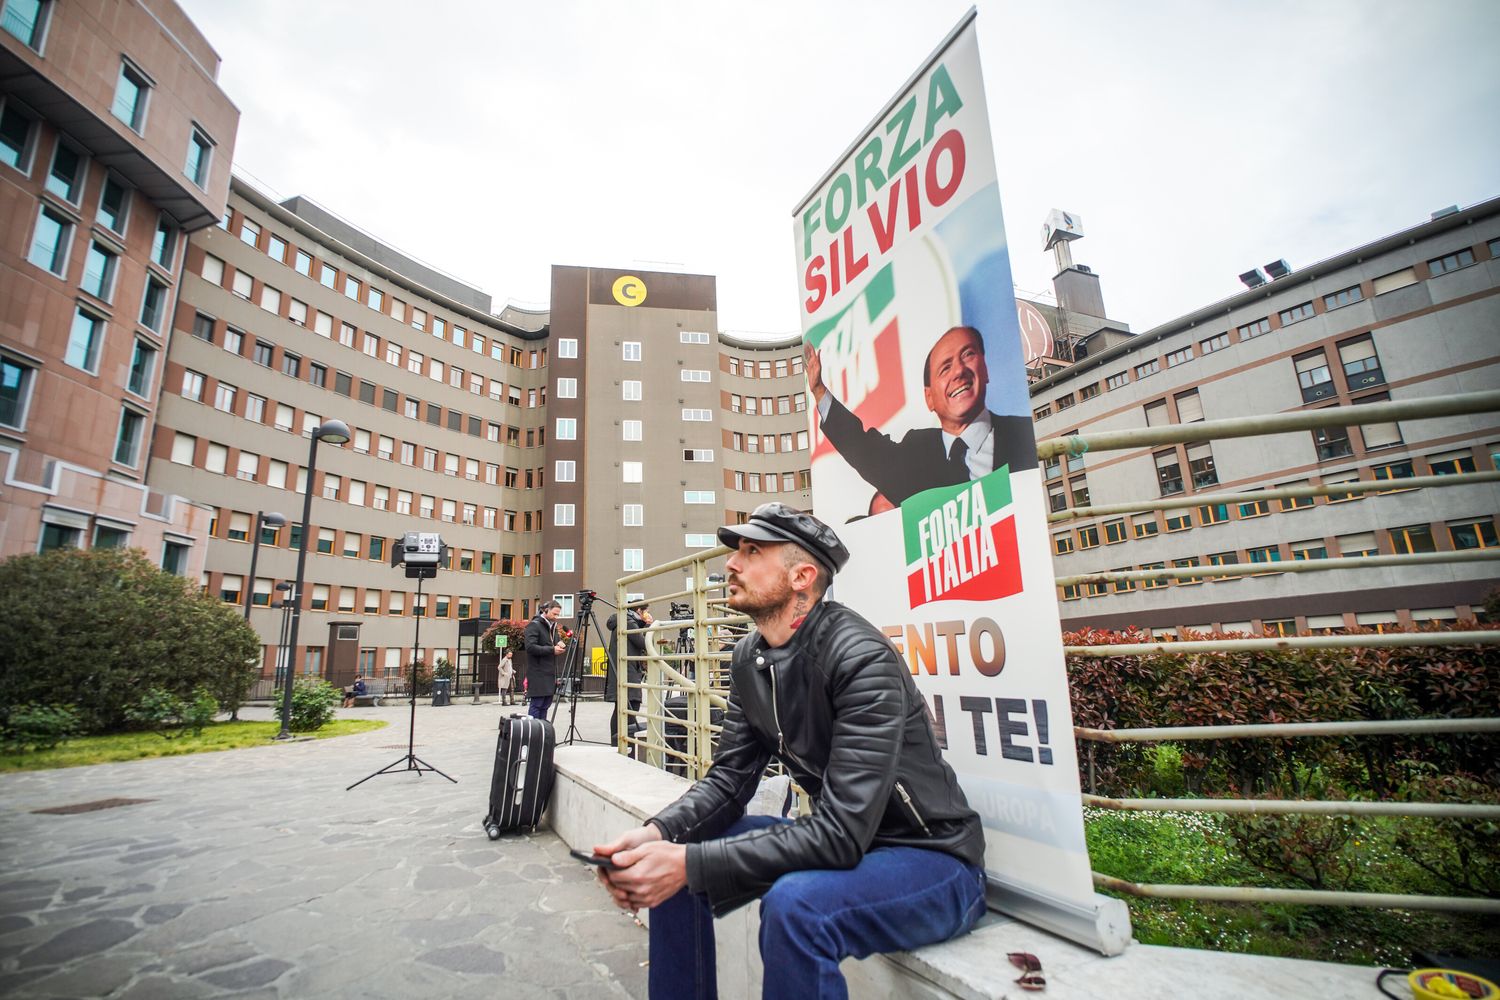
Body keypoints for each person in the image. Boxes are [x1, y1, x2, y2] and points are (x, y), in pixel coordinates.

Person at [593, 503, 987, 1000]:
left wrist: (691, 862)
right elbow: (727, 782)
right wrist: (657, 834)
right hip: (849, 846)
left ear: (802, 577)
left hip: (933, 859)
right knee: (673, 854)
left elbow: (841, 835)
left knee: (795, 906)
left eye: (752, 552)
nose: (731, 564)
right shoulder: (749, 657)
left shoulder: (860, 658)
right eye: (737, 551)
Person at [805, 325, 1037, 506]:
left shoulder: (1024, 435)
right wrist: (819, 391)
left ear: (985, 368)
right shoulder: (918, 451)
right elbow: (866, 451)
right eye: (945, 368)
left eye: (967, 355)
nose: (958, 371)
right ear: (929, 398)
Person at [604, 606, 654, 745]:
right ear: (639, 611)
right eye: (647, 611)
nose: (648, 614)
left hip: (624, 671)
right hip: (627, 672)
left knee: (621, 707)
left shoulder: (623, 620)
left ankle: (618, 742)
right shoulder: (627, 621)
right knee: (631, 706)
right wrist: (649, 625)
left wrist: (643, 624)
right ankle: (624, 743)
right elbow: (644, 642)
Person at [522, 601, 566, 720]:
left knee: (545, 705)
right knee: (537, 704)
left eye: (558, 615)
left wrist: (559, 644)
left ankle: (541, 732)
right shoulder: (534, 625)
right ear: (545, 610)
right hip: (538, 673)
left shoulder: (552, 626)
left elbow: (553, 642)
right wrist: (552, 649)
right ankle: (534, 733)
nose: (556, 617)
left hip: (549, 673)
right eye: (554, 614)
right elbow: (530, 647)